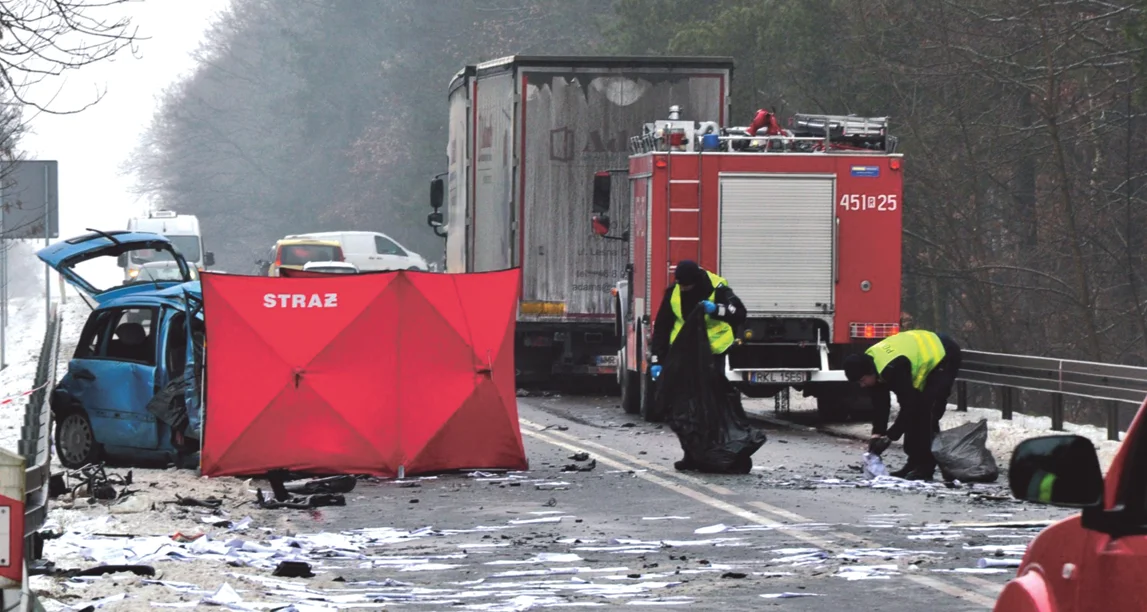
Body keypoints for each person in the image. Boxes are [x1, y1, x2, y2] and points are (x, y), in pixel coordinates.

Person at [648, 260, 749, 471]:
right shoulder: (674, 293)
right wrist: (657, 360)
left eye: (687, 286)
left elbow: (739, 312)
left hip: (713, 355)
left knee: (710, 406)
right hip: (685, 356)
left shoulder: (717, 288)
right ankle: (691, 455)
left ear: (695, 281)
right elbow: (663, 327)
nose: (683, 289)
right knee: (685, 408)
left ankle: (714, 452)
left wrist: (717, 310)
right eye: (680, 285)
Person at [842, 330, 963, 481]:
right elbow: (881, 406)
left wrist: (890, 436)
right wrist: (877, 434)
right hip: (923, 350)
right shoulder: (871, 366)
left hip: (943, 353)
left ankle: (925, 466)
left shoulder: (892, 369)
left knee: (926, 412)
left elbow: (909, 406)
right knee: (916, 413)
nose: (862, 385)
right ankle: (913, 463)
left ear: (870, 373)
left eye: (862, 380)